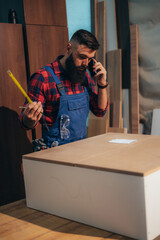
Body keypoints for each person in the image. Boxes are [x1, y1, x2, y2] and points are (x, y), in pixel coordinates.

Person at [19, 29, 109, 148]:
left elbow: (100, 111)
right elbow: (25, 124)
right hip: (54, 153)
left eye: (90, 58)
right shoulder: (43, 77)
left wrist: (102, 84)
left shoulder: (85, 76)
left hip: (81, 148)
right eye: (82, 57)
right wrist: (30, 117)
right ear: (68, 48)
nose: (85, 63)